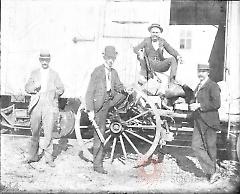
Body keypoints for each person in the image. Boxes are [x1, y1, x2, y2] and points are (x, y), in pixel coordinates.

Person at [85, 46, 126, 174]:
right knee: (99, 134)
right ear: (104, 58)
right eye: (108, 58)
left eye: (112, 58)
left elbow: (118, 86)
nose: (110, 60)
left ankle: (116, 116)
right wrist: (90, 111)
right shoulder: (97, 71)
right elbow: (90, 91)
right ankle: (97, 165)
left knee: (125, 95)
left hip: (109, 102)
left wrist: (125, 89)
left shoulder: (114, 72)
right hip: (99, 106)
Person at [25, 50, 64, 167]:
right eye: (42, 60)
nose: (44, 62)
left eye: (46, 60)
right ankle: (32, 156)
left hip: (48, 103)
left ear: (49, 60)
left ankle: (48, 158)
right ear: (40, 60)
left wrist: (53, 94)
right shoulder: (34, 73)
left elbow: (61, 88)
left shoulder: (54, 74)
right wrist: (34, 87)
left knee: (48, 132)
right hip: (36, 102)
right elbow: (27, 87)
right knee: (35, 131)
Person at [190, 63, 221, 184]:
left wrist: (200, 106)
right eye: (199, 71)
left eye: (203, 71)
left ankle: (212, 173)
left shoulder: (213, 86)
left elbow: (217, 104)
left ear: (208, 72)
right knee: (196, 146)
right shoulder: (199, 85)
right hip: (198, 120)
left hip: (210, 121)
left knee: (211, 148)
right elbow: (195, 99)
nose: (200, 74)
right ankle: (212, 171)